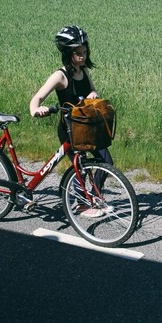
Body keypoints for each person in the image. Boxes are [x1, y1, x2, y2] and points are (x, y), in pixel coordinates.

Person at [30, 25, 112, 217]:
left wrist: (93, 94)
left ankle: (95, 196)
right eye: (78, 53)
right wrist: (36, 110)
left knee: (107, 160)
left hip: (87, 126)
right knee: (80, 166)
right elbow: (36, 98)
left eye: (84, 52)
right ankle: (82, 204)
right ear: (68, 53)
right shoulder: (60, 76)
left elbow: (92, 91)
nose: (82, 56)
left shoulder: (83, 71)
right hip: (69, 128)